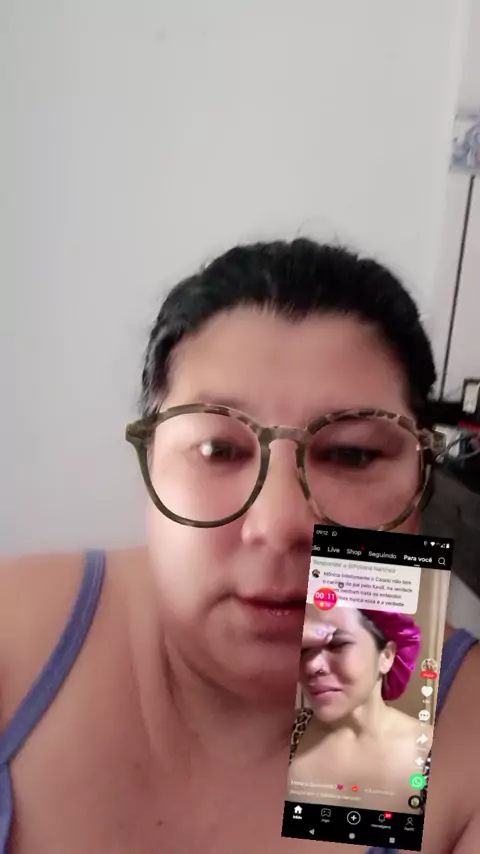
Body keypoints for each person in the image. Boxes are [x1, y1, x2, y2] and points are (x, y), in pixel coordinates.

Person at [0, 238, 479, 854]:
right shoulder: (16, 638)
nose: (279, 523)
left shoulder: (461, 744)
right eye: (218, 450)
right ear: (149, 462)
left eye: (353, 454)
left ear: (421, 476)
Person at [288, 605, 432, 814]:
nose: (310, 666)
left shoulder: (433, 753)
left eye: (338, 644)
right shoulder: (284, 733)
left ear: (386, 656)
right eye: (303, 649)